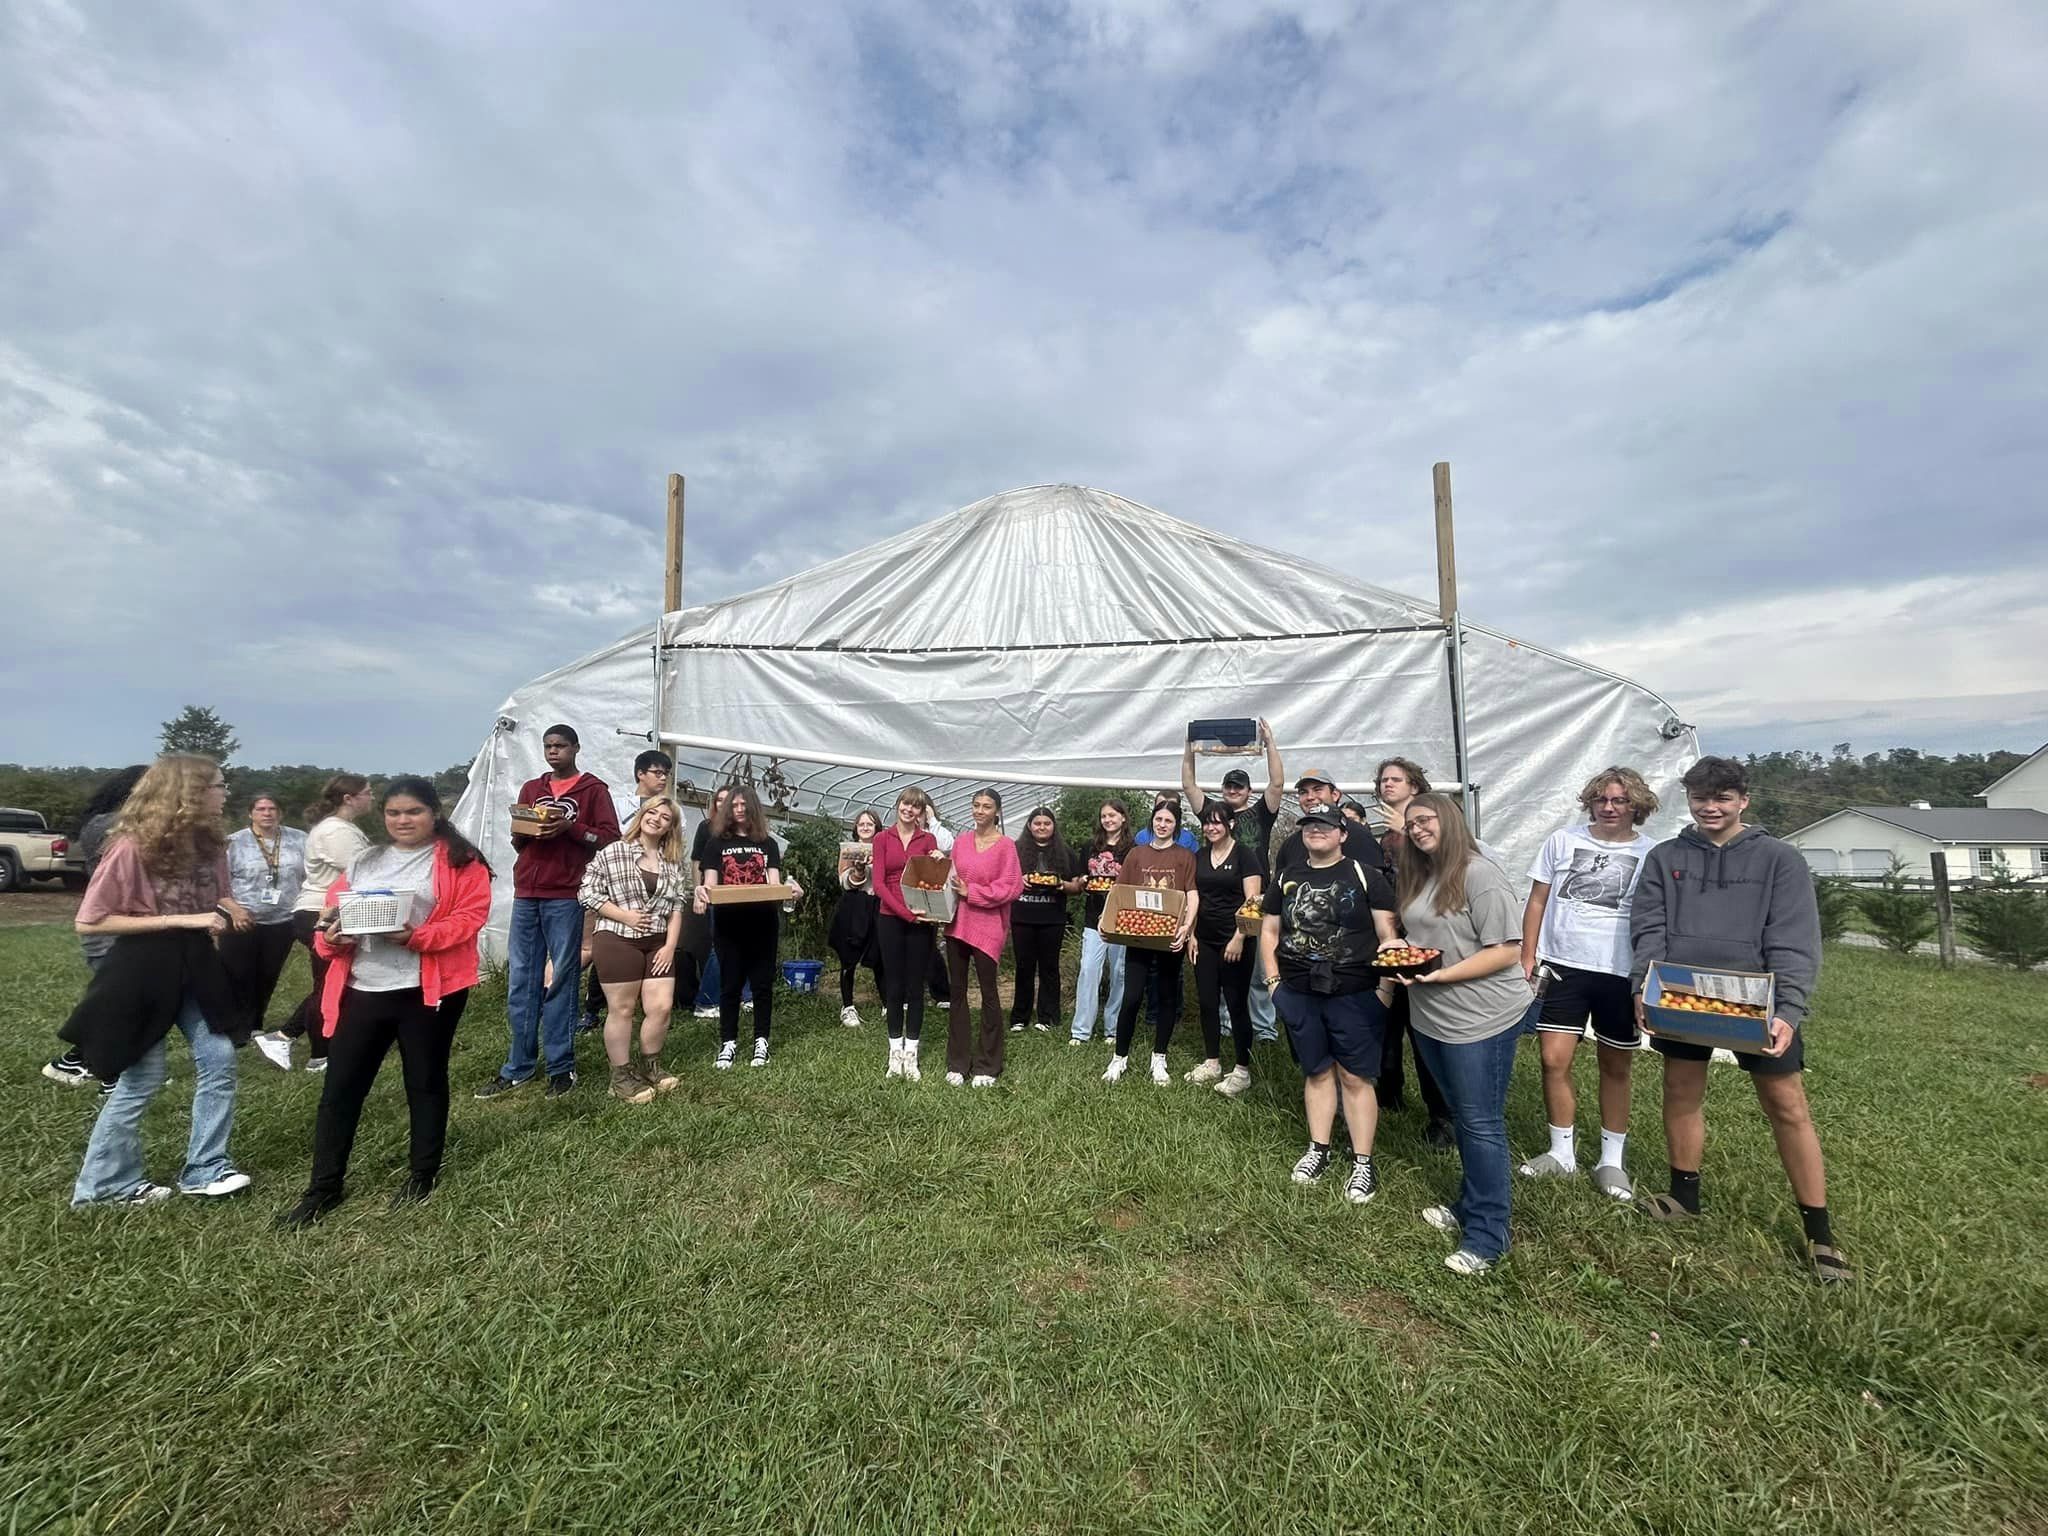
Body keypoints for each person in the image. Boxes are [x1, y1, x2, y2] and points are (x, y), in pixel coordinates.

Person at [1629, 756, 1848, 1284]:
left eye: (1722, 798)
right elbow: (1649, 926)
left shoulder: (1780, 860)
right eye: (1701, 797)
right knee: (1681, 1091)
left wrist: (1789, 1010)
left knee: (1787, 1105)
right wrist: (1644, 986)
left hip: (1758, 1002)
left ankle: (1820, 1235)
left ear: (1743, 800)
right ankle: (1684, 1196)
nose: (1711, 807)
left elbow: (1794, 939)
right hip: (1682, 995)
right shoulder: (1665, 857)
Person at [277, 778, 492, 1227]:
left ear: (434, 813)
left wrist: (415, 937)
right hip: (363, 989)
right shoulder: (364, 860)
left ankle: (422, 1173)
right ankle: (324, 1187)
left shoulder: (460, 862)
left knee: (425, 1081)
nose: (402, 820)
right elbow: (329, 920)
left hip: (426, 990)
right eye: (394, 813)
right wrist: (331, 938)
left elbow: (469, 920)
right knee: (341, 1089)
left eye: (412, 812)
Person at [61, 755, 253, 1206]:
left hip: (196, 965)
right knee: (142, 1078)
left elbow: (217, 896)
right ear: (187, 794)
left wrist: (229, 908)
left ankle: (206, 1168)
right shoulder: (131, 847)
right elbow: (90, 922)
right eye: (217, 786)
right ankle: (105, 1187)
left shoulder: (211, 844)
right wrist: (181, 920)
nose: (224, 794)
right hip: (143, 968)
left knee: (220, 1058)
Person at [1391, 793, 1532, 1276]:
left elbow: (1506, 951)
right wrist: (1400, 949)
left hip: (1479, 1019)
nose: (1417, 829)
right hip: (1431, 1016)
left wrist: (1441, 976)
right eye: (1411, 824)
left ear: (1449, 821)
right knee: (1464, 1114)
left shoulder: (1480, 873)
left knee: (1479, 1122)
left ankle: (1488, 1234)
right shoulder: (1421, 874)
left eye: (1425, 820)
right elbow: (1426, 938)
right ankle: (1470, 1203)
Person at [1517, 766, 1661, 1199]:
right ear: (1590, 802)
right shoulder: (1563, 841)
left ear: (1636, 805)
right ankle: (1561, 1152)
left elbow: (1656, 917)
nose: (1610, 807)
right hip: (1564, 966)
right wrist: (1528, 955)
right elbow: (1537, 899)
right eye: (1601, 799)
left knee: (1615, 1066)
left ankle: (1610, 1160)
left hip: (1619, 971)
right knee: (1552, 1059)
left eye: (1619, 800)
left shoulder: (1652, 853)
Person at [1259, 805, 1402, 1198]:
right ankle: (1318, 1148)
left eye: (1325, 825)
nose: (1316, 831)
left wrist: (1385, 990)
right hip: (1299, 991)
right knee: (1317, 1071)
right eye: (1309, 825)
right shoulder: (1286, 876)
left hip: (1355, 992)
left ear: (1343, 834)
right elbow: (1270, 931)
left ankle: (1362, 1163)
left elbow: (1388, 935)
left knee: (1355, 1076)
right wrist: (1273, 983)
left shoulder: (1365, 875)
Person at [476, 724, 619, 1101]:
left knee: (562, 980)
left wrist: (570, 827)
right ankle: (518, 1066)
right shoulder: (531, 789)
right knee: (521, 980)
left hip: (566, 893)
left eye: (560, 746)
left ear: (576, 748)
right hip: (527, 891)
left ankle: (560, 1066)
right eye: (548, 746)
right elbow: (518, 839)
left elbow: (608, 839)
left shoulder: (593, 790)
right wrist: (526, 828)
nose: (553, 752)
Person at [580, 795, 693, 1102]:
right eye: (651, 812)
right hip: (617, 937)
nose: (656, 818)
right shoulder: (614, 852)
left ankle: (651, 1066)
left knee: (661, 1007)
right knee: (623, 1009)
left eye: (664, 817)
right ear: (642, 815)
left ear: (671, 827)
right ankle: (619, 1077)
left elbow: (677, 906)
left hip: (657, 941)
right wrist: (624, 915)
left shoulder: (673, 862)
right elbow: (587, 892)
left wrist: (670, 946)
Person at [43, 763, 147, 1087]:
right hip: (108, 930)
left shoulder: (124, 823)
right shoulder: (108, 824)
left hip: (131, 928)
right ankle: (108, 1076)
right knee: (122, 1006)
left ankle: (74, 1061)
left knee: (122, 1003)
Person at [1183, 717, 1284, 1044]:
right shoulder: (1215, 816)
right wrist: (1189, 748)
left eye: (1239, 786)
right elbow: (1189, 787)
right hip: (1219, 900)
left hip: (1257, 898)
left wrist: (1270, 743)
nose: (1233, 790)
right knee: (1226, 967)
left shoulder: (1261, 812)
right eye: (1229, 786)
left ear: (1248, 791)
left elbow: (1278, 784)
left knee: (1255, 971)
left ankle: (1265, 1031)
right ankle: (1227, 1026)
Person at [1370, 756, 1454, 1145]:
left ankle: (1442, 1118)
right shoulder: (1382, 837)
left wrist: (1405, 833)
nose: (1388, 785)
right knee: (1386, 1023)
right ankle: (1388, 1095)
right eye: (1384, 780)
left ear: (1415, 787)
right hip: (1391, 941)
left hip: (1425, 945)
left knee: (1425, 1033)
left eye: (1396, 779)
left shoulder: (1426, 834)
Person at [268, 774, 374, 1075]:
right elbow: (364, 871)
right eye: (367, 792)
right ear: (348, 798)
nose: (372, 797)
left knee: (330, 983)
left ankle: (292, 1038)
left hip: (325, 910)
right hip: (320, 911)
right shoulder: (335, 832)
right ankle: (312, 1050)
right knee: (327, 984)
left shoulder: (341, 828)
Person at [691, 786, 800, 1069]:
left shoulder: (768, 844)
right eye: (734, 805)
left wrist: (790, 891)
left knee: (762, 985)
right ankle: (728, 1042)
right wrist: (703, 892)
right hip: (729, 923)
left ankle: (761, 1040)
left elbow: (774, 884)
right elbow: (711, 883)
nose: (739, 809)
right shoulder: (715, 843)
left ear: (753, 808)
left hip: (763, 922)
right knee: (730, 984)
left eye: (744, 804)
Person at [1103, 798, 1198, 1086]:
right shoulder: (1137, 854)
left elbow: (1192, 894)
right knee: (1132, 997)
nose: (1162, 825)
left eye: (1168, 821)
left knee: (1167, 996)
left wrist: (1186, 926)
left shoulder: (1184, 857)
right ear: (1152, 821)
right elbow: (1119, 890)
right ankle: (1119, 1057)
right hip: (1139, 934)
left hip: (1169, 935)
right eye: (1159, 819)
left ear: (1176, 825)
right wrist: (1105, 917)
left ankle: (1159, 1057)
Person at [581, 749, 676, 1033]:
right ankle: (593, 1008)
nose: (663, 778)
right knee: (602, 948)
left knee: (647, 950)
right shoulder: (619, 804)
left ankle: (644, 1010)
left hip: (652, 891)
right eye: (658, 772)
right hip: (615, 888)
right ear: (640, 774)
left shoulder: (671, 809)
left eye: (666, 774)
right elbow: (611, 838)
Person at [224, 793, 308, 1069]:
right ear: (251, 814)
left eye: (272, 808)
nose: (267, 813)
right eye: (261, 809)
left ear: (280, 813)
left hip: (283, 918)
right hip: (242, 916)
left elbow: (311, 873)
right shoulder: (234, 842)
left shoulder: (299, 839)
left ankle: (255, 1024)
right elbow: (218, 882)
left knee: (267, 974)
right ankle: (235, 1029)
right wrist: (234, 910)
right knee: (239, 973)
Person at [945, 790, 1024, 1085]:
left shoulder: (1006, 847)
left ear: (997, 812)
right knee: (957, 993)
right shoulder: (961, 842)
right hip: (957, 925)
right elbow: (951, 878)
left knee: (989, 995)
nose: (979, 811)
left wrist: (974, 893)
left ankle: (988, 1065)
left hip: (988, 928)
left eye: (986, 806)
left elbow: (1012, 887)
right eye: (976, 805)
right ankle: (957, 1062)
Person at [1190, 800, 1267, 1095]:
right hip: (1205, 940)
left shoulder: (1245, 856)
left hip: (1236, 941)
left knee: (1236, 1004)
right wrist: (1193, 934)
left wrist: (1239, 937)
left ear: (1230, 825)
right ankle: (1212, 1062)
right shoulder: (1200, 855)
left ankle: (1242, 1069)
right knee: (1208, 1001)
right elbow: (1195, 897)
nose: (1211, 827)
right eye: (1207, 822)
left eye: (1217, 822)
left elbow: (1253, 902)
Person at [868, 789, 939, 1080]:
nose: (909, 809)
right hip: (891, 918)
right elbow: (880, 883)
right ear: (897, 805)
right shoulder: (882, 839)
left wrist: (937, 860)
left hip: (923, 918)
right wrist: (905, 913)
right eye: (905, 804)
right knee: (894, 985)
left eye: (916, 806)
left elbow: (934, 878)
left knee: (916, 986)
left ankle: (912, 1052)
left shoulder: (928, 840)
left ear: (922, 812)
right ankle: (894, 1051)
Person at [1009, 805, 1079, 1033]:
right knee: (1023, 966)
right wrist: (1021, 880)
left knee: (1050, 968)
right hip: (1022, 917)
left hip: (1053, 918)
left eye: (1046, 823)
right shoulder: (1015, 850)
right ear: (1029, 826)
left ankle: (1048, 1017)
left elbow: (1077, 885)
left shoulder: (1065, 852)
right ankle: (1020, 1016)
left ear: (1053, 826)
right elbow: (1005, 880)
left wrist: (1062, 885)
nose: (1042, 827)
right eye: (1037, 823)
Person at [1070, 799, 1135, 1045]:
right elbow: (1079, 878)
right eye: (1104, 816)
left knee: (1119, 972)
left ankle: (1113, 1028)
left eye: (1112, 815)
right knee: (1088, 969)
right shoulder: (1090, 846)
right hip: (1093, 916)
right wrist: (1083, 880)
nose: (1108, 820)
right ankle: (1081, 1030)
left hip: (1122, 918)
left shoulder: (1133, 849)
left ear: (1123, 818)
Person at [830, 809, 886, 1027]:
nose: (865, 827)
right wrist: (858, 872)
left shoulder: (884, 849)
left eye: (869, 824)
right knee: (848, 955)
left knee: (880, 954)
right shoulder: (848, 851)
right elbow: (844, 881)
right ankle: (848, 1006)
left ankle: (887, 1003)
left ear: (876, 828)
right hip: (854, 905)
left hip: (877, 904)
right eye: (861, 824)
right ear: (856, 828)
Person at [689, 786, 732, 1019]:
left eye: (729, 800)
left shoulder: (741, 830)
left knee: (741, 945)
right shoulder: (706, 828)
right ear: (714, 804)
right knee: (720, 947)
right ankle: (705, 1001)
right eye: (720, 800)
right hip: (715, 895)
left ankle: (743, 996)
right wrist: (698, 891)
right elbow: (696, 861)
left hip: (740, 896)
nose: (723, 805)